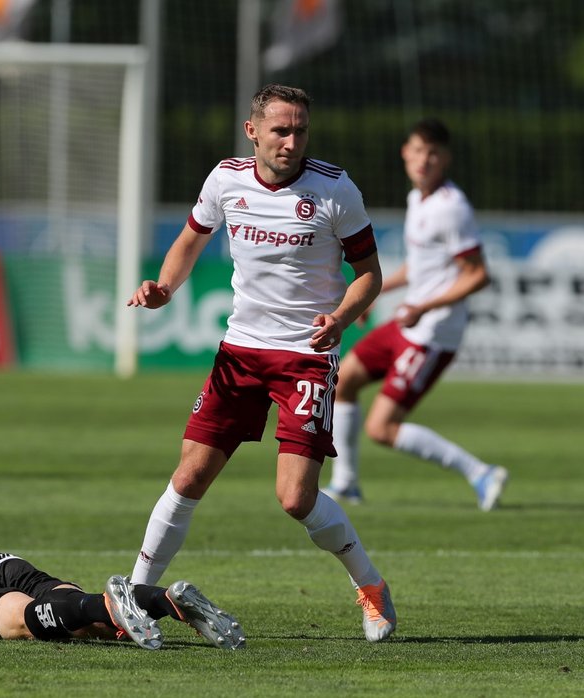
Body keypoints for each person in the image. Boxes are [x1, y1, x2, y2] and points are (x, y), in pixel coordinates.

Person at [127, 84, 396, 643]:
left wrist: (341, 319)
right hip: (240, 350)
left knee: (295, 498)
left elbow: (370, 275)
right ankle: (133, 598)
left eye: (300, 130)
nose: (291, 141)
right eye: (281, 130)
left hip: (305, 355)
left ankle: (370, 585)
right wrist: (165, 288)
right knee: (189, 474)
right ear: (253, 131)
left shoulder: (334, 189)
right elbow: (189, 240)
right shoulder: (225, 179)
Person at [321, 117, 508, 511]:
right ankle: (347, 483)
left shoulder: (451, 208)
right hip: (408, 322)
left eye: (434, 153)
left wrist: (424, 306)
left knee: (382, 428)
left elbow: (477, 275)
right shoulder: (417, 199)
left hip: (432, 333)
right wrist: (373, 295)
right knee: (345, 381)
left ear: (446, 160)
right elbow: (419, 267)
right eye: (419, 151)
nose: (425, 160)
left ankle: (481, 472)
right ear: (406, 153)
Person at [0, 471, 245, 650]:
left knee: (31, 619)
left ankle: (121, 604)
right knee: (82, 620)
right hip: (3, 563)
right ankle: (164, 600)